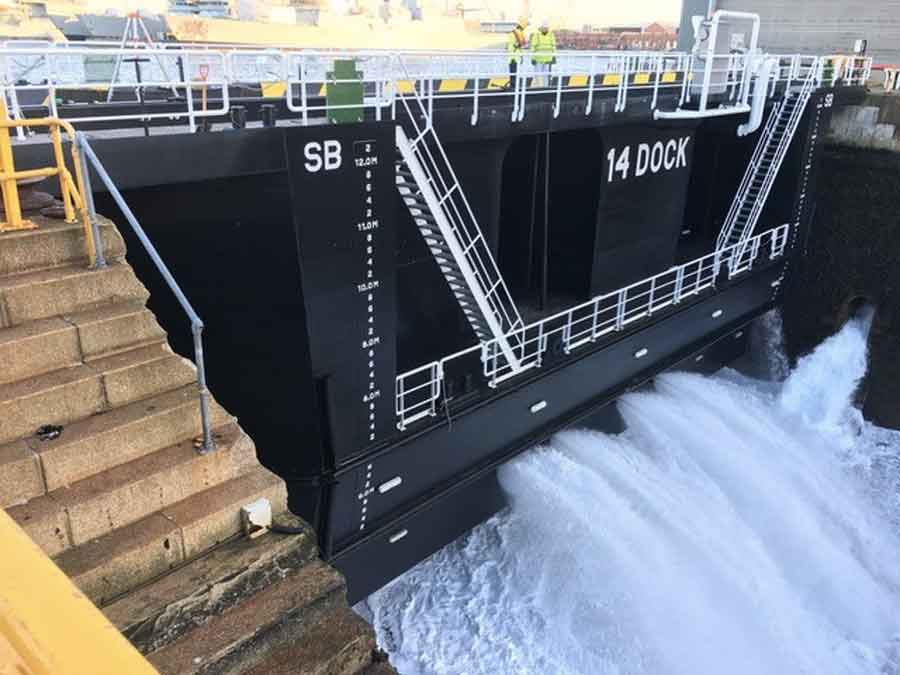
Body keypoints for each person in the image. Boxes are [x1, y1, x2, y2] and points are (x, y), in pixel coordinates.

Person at [531, 20, 557, 88]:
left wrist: (554, 57)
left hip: (548, 59)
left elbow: (553, 46)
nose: (545, 29)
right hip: (538, 59)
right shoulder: (536, 35)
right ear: (541, 28)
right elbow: (533, 47)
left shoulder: (551, 35)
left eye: (546, 28)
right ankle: (537, 88)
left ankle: (545, 88)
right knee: (538, 75)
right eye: (544, 28)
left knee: (546, 75)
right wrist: (533, 58)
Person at [506, 17, 529, 91]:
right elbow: (521, 43)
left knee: (513, 72)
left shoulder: (515, 31)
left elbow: (520, 43)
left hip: (512, 55)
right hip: (515, 55)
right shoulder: (518, 32)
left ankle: (513, 85)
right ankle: (514, 86)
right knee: (514, 72)